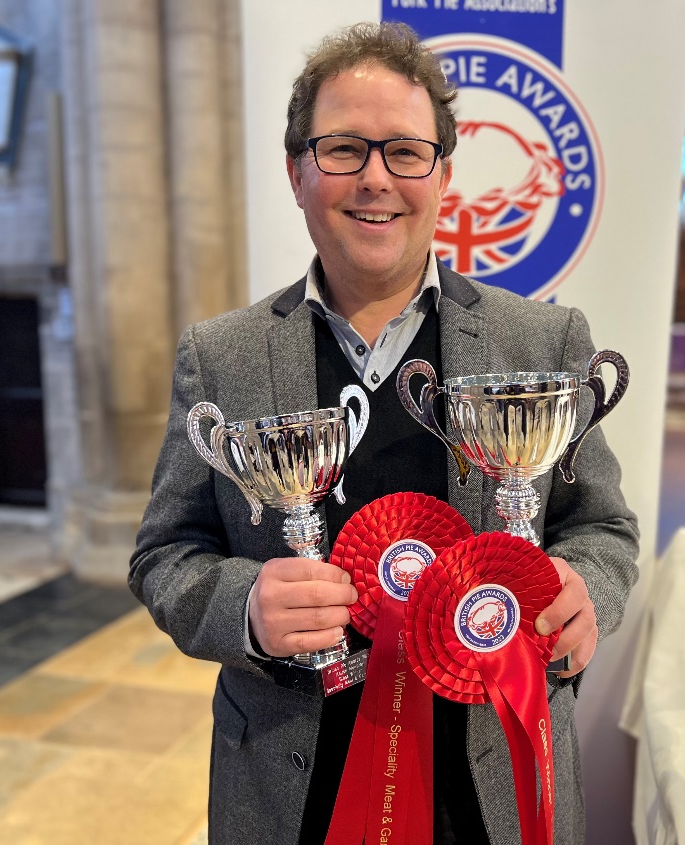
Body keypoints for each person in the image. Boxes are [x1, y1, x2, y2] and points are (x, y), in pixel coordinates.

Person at [130, 21, 639, 845]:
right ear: (296, 171)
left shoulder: (542, 341)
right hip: (291, 786)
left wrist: (584, 589)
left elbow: (603, 529)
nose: (375, 178)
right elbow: (163, 554)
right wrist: (245, 606)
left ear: (442, 175)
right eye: (343, 149)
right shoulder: (220, 357)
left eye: (405, 151)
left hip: (491, 781)